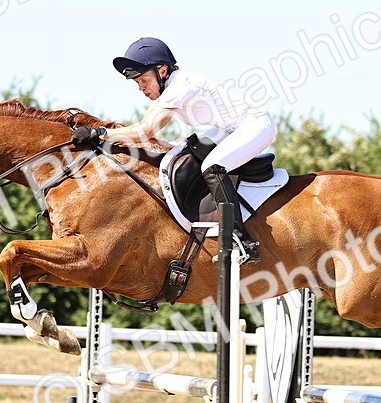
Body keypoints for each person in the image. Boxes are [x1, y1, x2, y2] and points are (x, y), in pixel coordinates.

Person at [71, 37, 274, 262]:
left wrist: (100, 133)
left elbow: (145, 130)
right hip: (227, 129)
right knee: (181, 153)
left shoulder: (180, 85)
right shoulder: (168, 90)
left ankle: (239, 239)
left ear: (163, 70)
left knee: (212, 166)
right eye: (137, 83)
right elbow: (145, 131)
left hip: (254, 125)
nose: (142, 88)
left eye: (144, 80)